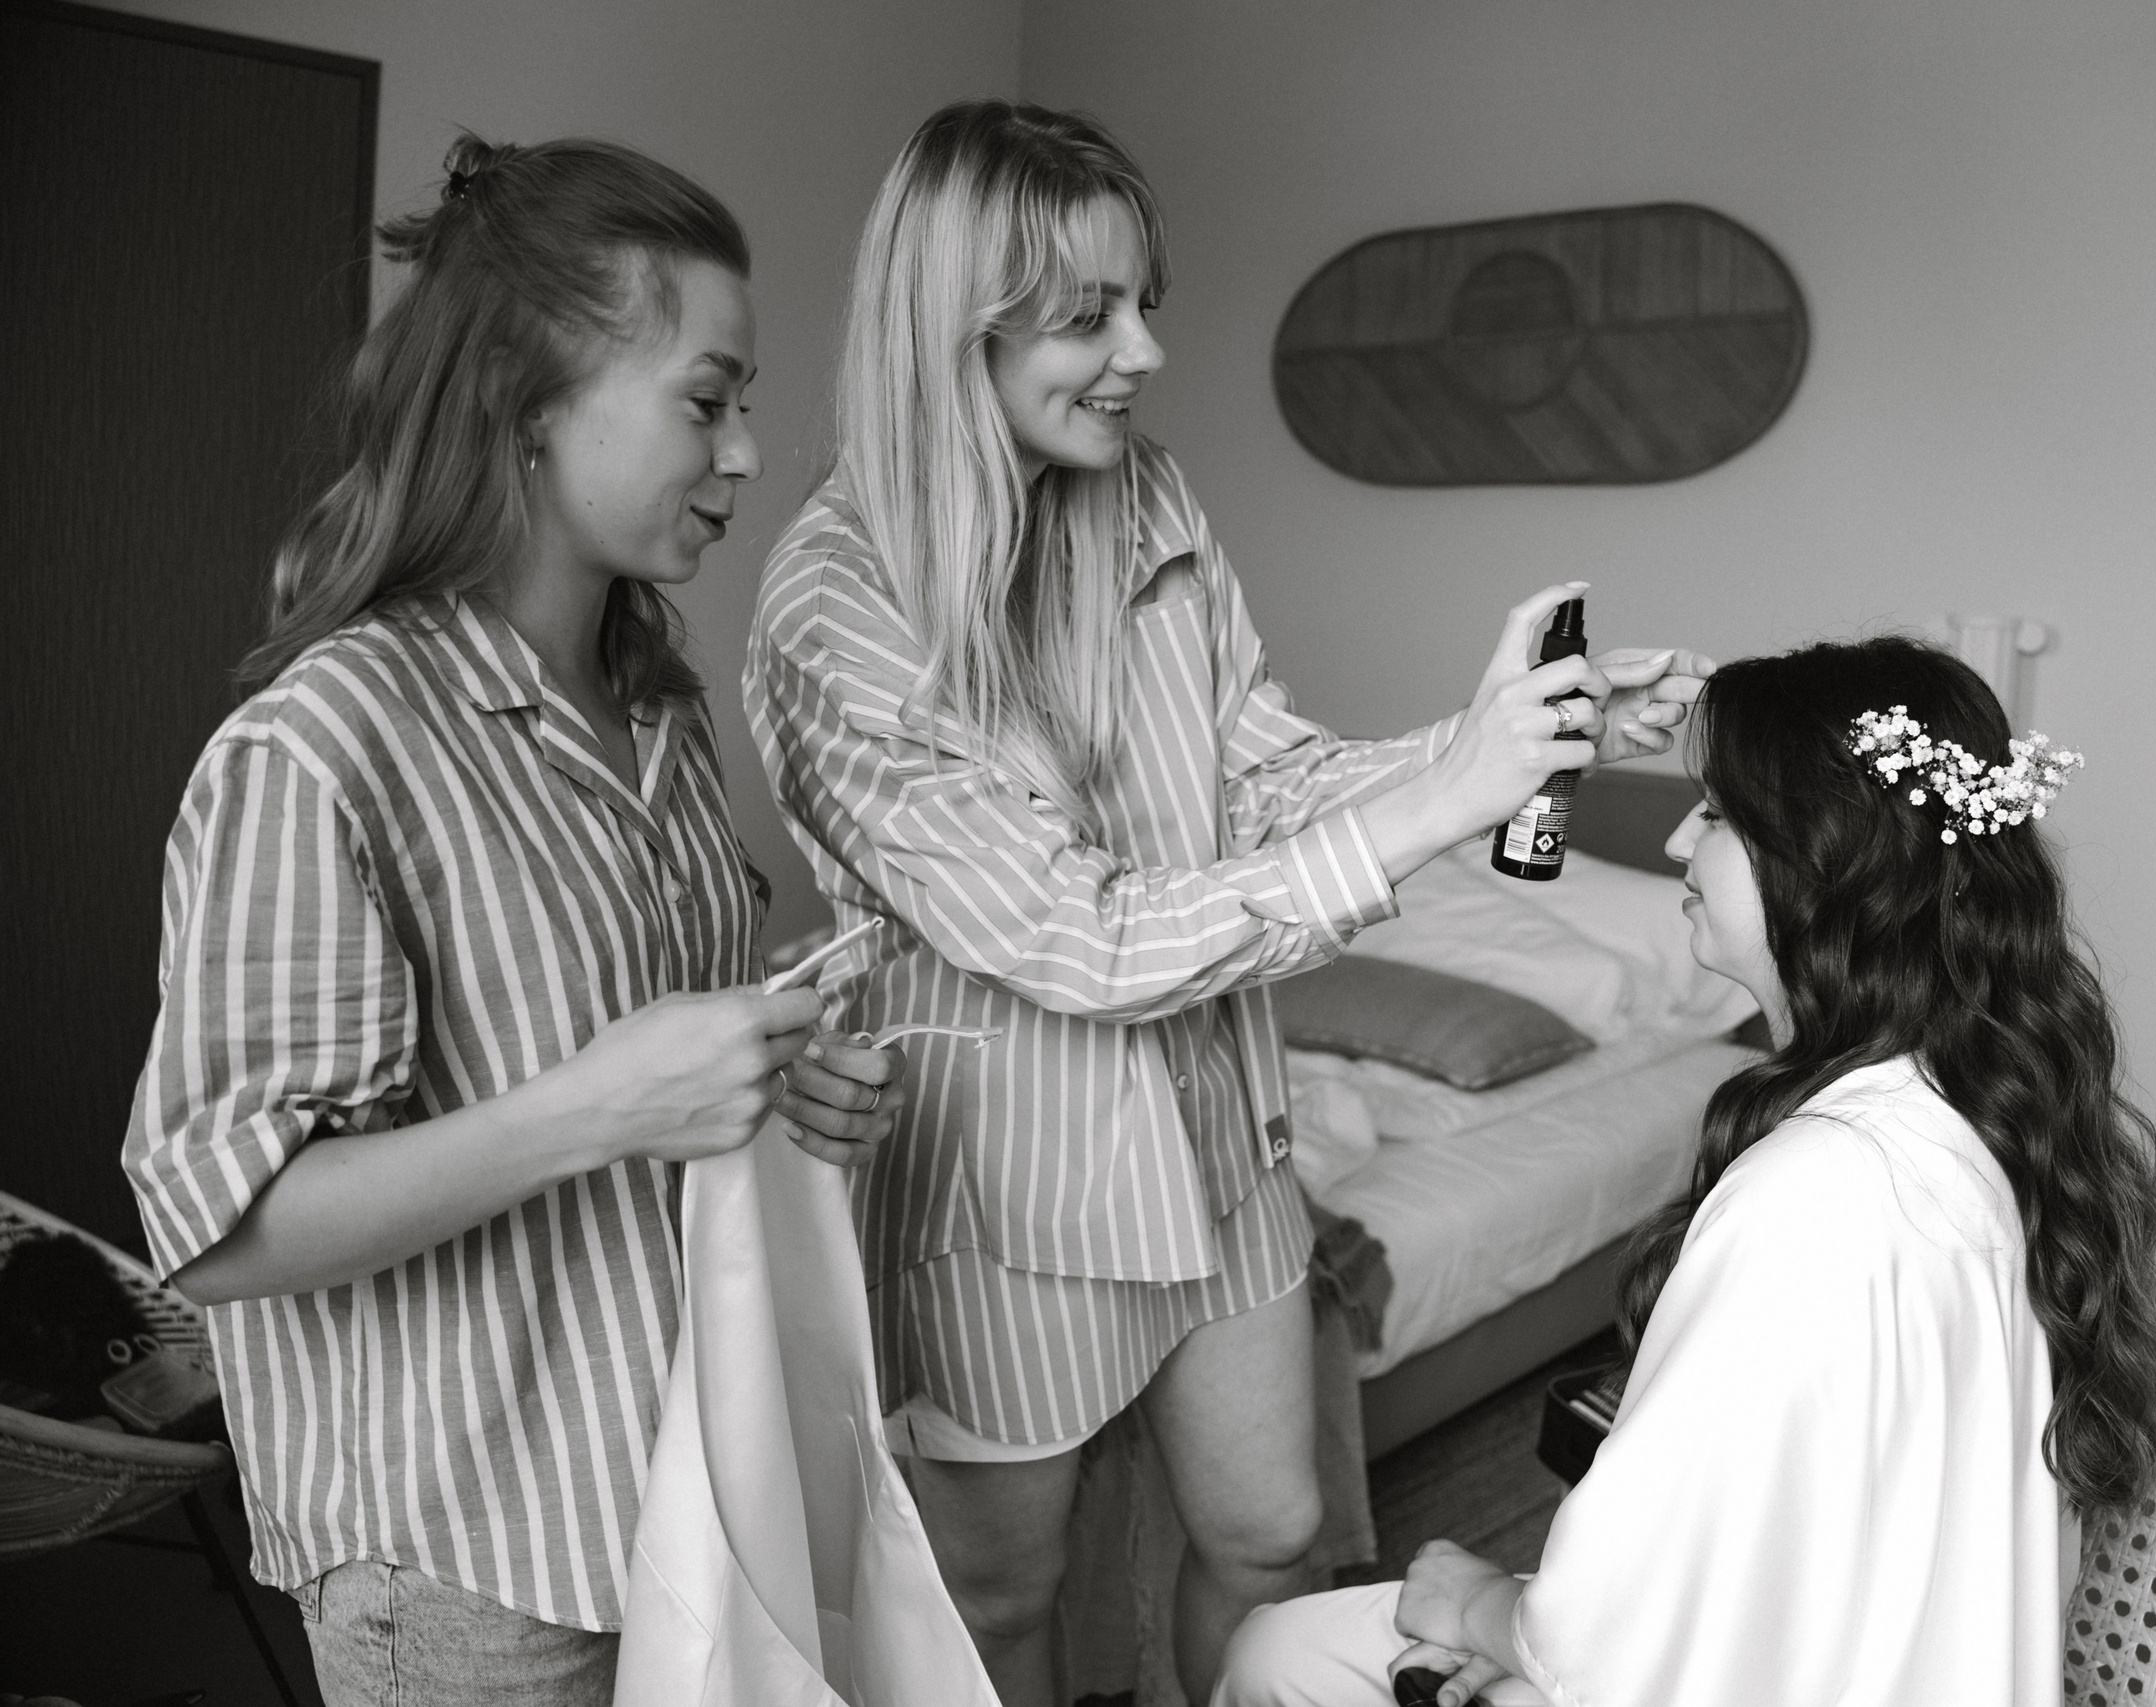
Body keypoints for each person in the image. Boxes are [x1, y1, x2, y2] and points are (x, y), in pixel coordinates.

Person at [746, 99, 1709, 1707]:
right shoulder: (839, 607)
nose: (1143, 352)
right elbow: (1075, 933)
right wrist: (1441, 800)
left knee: (1272, 1533)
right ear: (952, 327)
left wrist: (1502, 745)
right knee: (1003, 1592)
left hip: (1219, 1125)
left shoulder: (1145, 495)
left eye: (1145, 303)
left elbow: (1263, 774)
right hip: (1008, 1182)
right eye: (1085, 315)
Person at [122, 134, 905, 1705]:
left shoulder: (657, 709)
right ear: (528, 403)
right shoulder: (322, 750)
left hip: (687, 1490)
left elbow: (647, 1054)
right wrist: (598, 1103)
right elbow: (218, 1230)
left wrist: (769, 1077)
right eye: (709, 397)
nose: (747, 453)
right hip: (474, 1566)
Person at [1215, 635, 2156, 1707]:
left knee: (1276, 1650)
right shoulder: (1985, 1109)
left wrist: (1474, 1602)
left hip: (1769, 1666)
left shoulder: (1813, 1191)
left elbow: (1606, 1641)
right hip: (1880, 1645)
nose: (1677, 840)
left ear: (1824, 856)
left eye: (1715, 814)